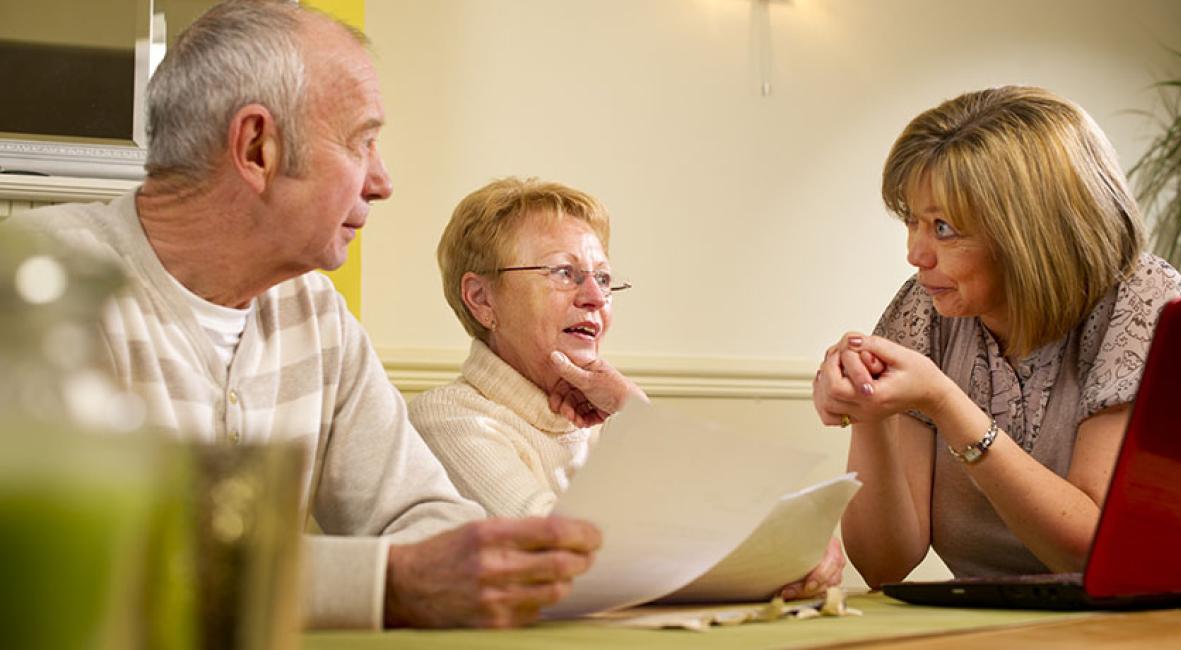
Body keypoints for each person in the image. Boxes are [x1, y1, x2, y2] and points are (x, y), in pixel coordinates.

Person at [4, 0, 599, 630]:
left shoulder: (314, 312)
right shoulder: (41, 285)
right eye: (362, 141)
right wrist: (387, 582)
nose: (382, 181)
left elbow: (422, 516)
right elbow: (79, 564)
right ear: (257, 147)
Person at [815, 86, 1181, 587]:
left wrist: (946, 403)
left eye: (943, 227)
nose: (916, 254)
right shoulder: (927, 306)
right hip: (982, 626)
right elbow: (885, 564)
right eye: (913, 221)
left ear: (1028, 233)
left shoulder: (1140, 299)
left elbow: (1092, 551)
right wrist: (870, 414)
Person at [410, 177, 845, 600]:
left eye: (602, 278)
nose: (595, 298)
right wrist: (771, 551)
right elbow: (566, 554)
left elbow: (698, 523)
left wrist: (792, 538)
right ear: (482, 299)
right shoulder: (447, 420)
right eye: (564, 272)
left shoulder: (609, 415)